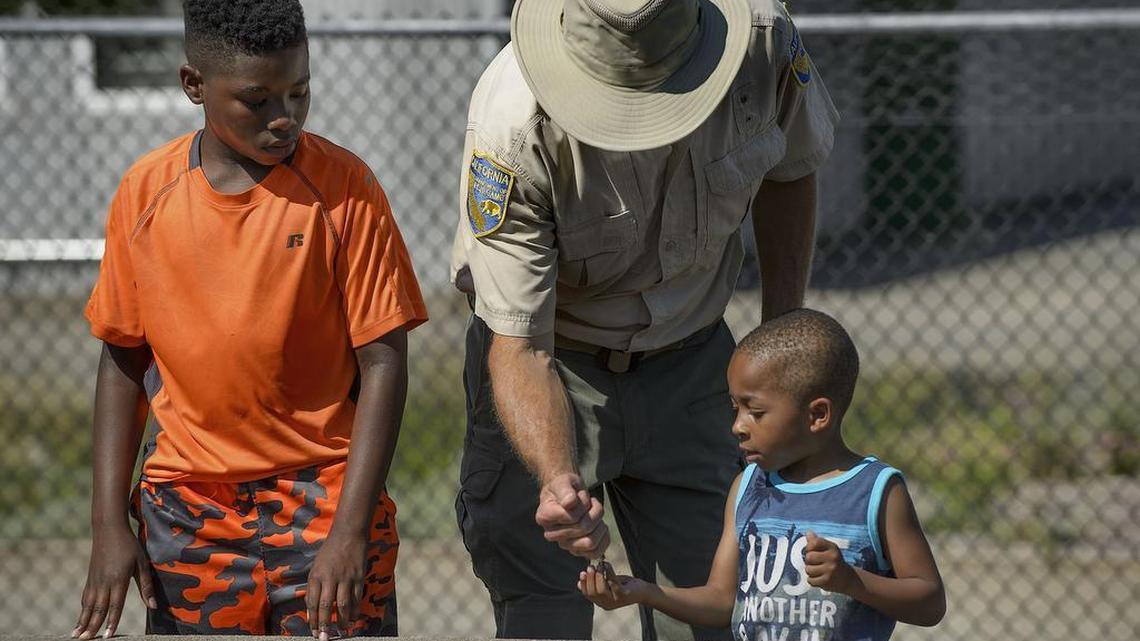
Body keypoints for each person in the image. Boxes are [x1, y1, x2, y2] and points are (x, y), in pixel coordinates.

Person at [450, 0, 839, 638]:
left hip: (694, 367)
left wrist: (779, 345)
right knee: (544, 613)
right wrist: (555, 481)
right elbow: (520, 346)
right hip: (555, 368)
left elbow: (791, 171)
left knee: (716, 610)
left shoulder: (762, 43)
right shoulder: (512, 124)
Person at [72, 1, 428, 637]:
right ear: (194, 86)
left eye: (300, 91)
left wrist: (350, 530)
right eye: (256, 100)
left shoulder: (346, 189)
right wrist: (107, 525)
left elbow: (384, 358)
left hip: (325, 505)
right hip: (189, 513)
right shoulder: (145, 193)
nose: (283, 118)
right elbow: (123, 359)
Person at [579, 309, 946, 641]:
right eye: (733, 407)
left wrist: (853, 582)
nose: (737, 426)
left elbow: (929, 602)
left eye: (755, 411)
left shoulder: (876, 491)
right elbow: (722, 602)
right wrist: (645, 593)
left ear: (817, 415)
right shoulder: (747, 487)